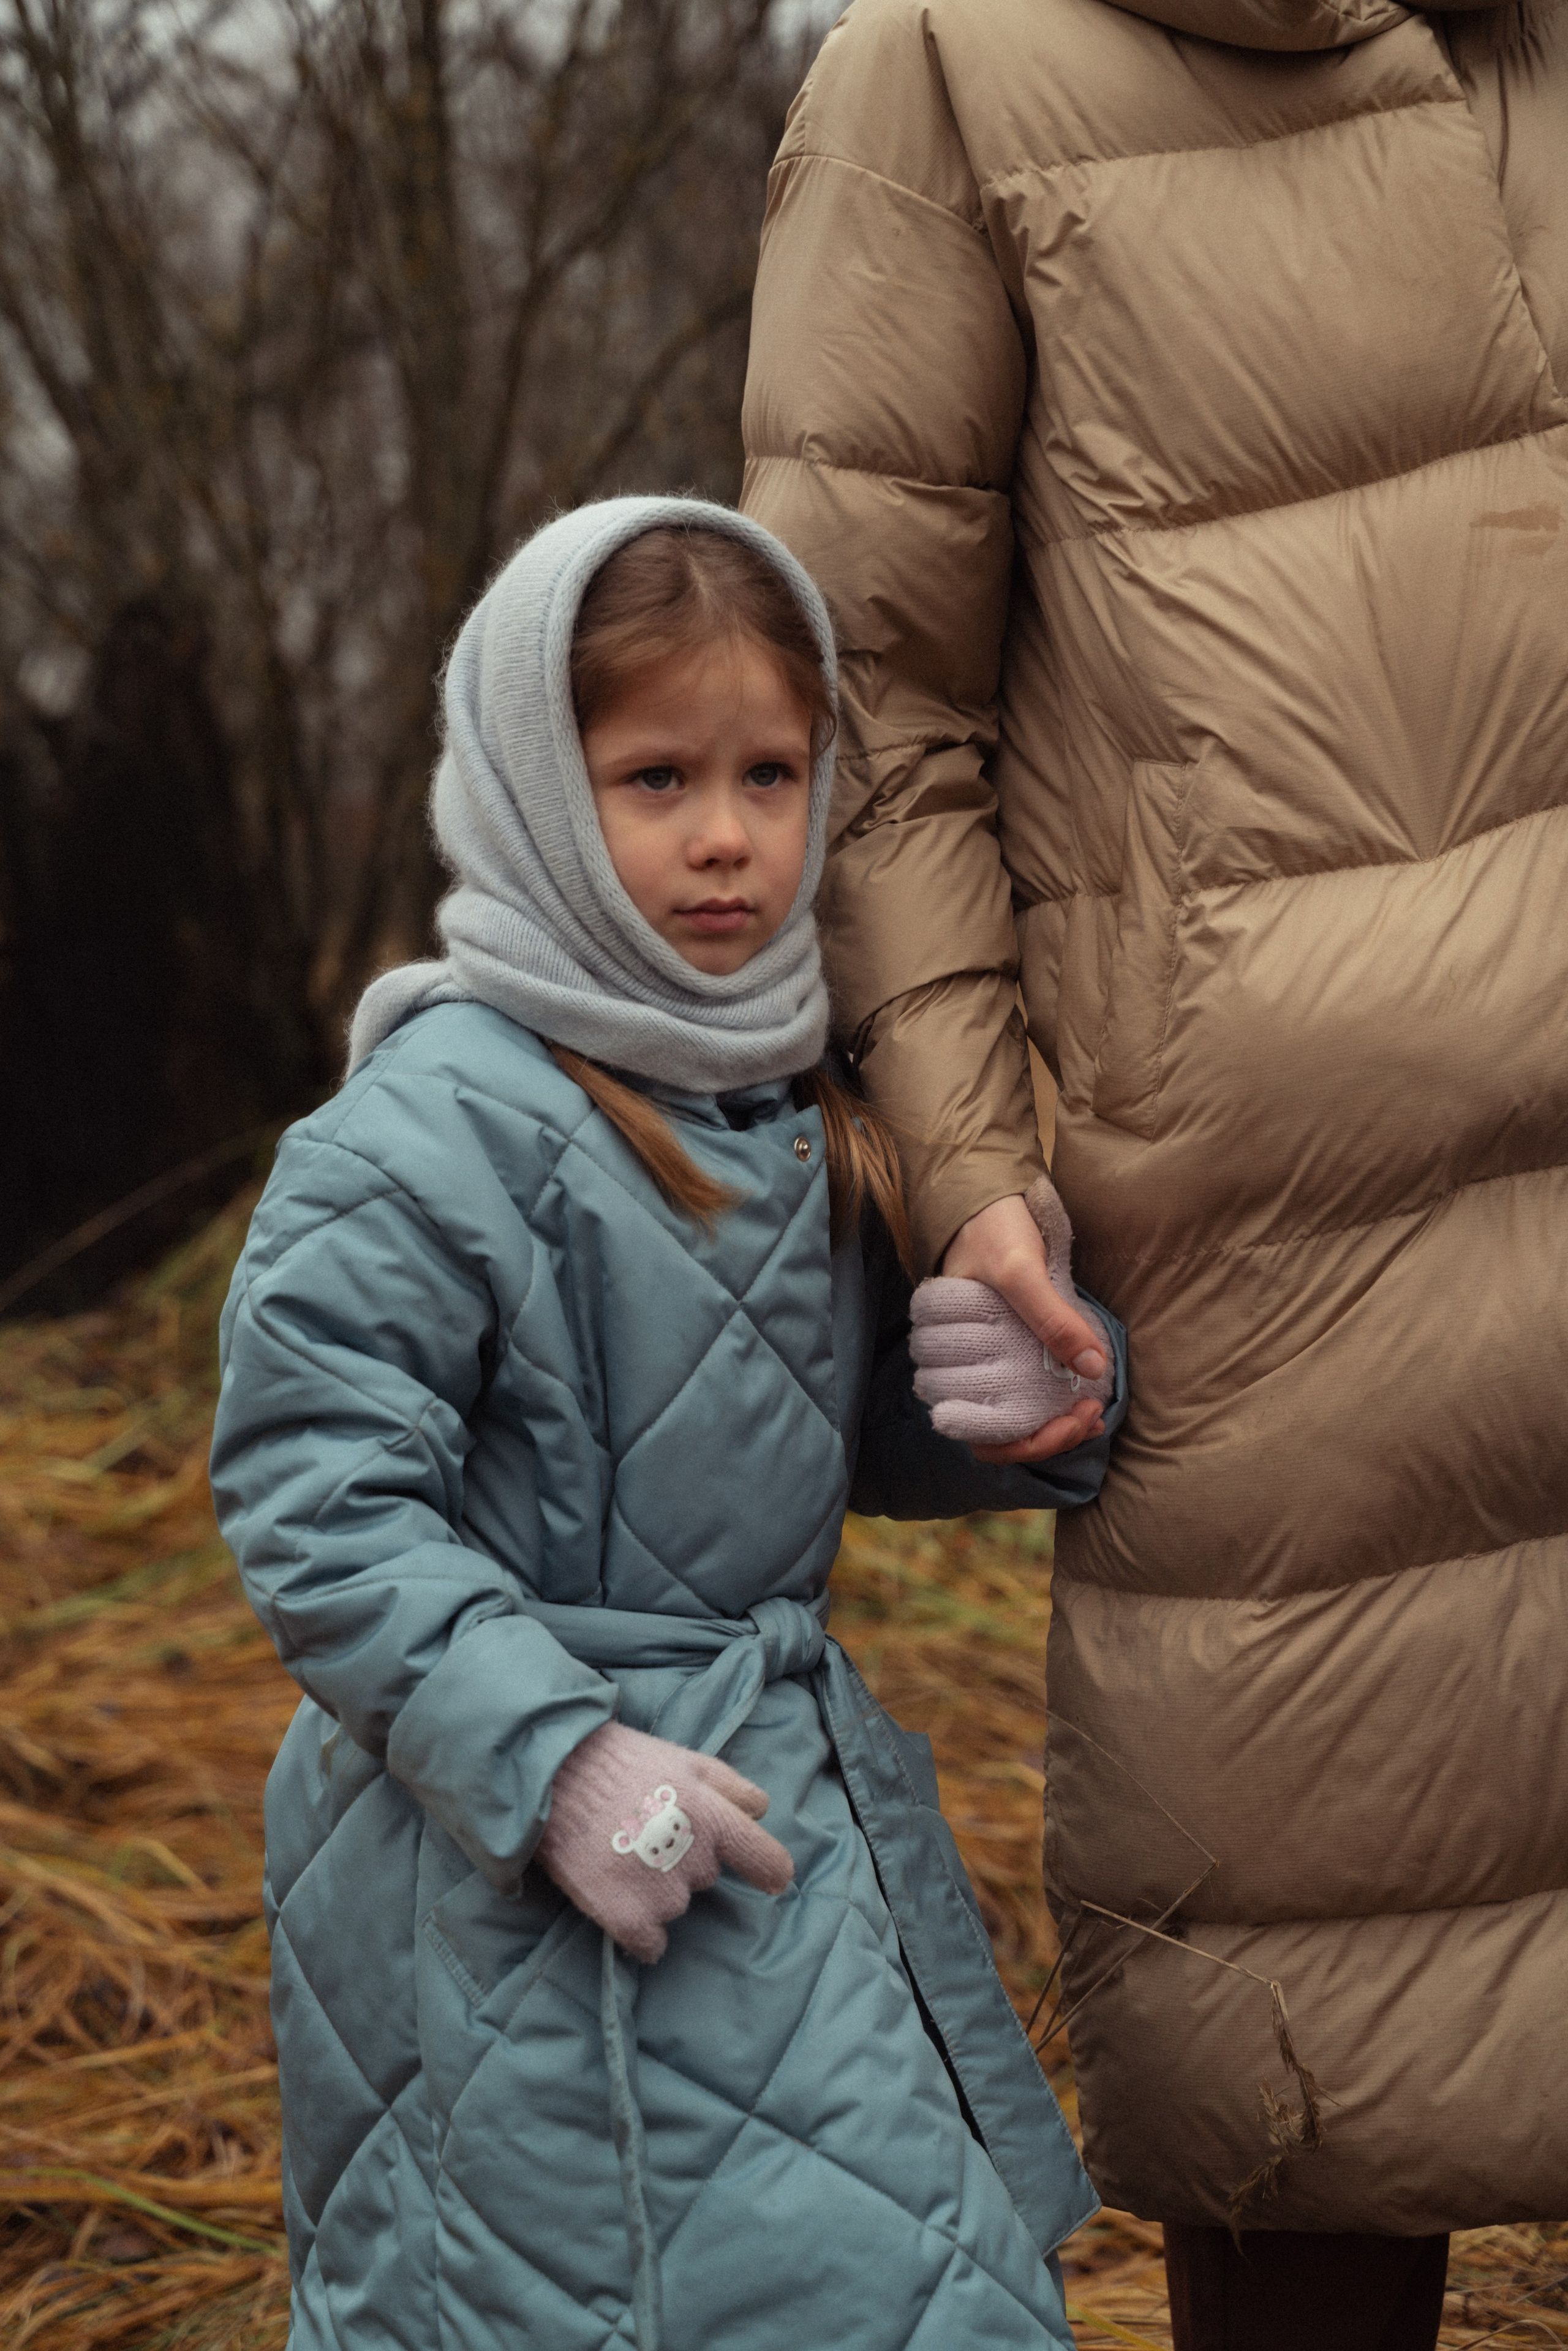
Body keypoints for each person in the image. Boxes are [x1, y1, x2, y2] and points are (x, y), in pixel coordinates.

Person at [738, 0, 1568, 2344]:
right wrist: (971, 1160)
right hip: (1275, 1266)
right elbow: (863, 699)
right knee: (1314, 2062)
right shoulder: (947, 66)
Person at [208, 497, 1131, 2351]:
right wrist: (550, 1758)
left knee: (903, 2278)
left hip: (767, 1799)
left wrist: (999, 1402)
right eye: (655, 779)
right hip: (508, 1849)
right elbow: (316, 1493)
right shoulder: (429, 1124)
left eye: (769, 774)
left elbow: (796, 1424)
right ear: (538, 794)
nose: (725, 835)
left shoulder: (798, 1093)